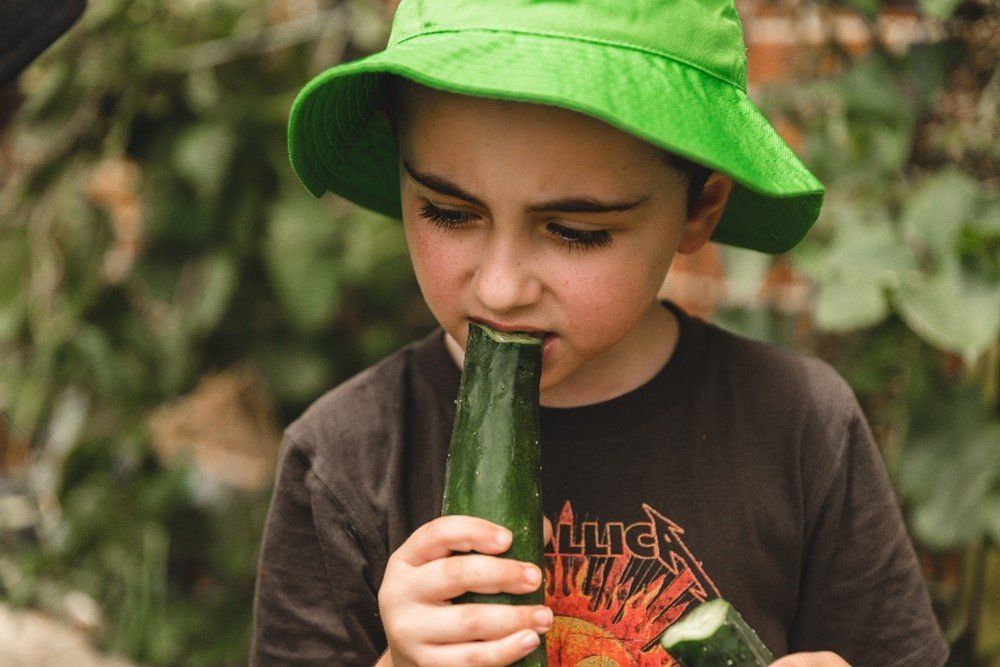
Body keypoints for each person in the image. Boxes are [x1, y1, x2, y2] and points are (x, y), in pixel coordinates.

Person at [251, 0, 949, 665]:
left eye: (575, 232)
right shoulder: (342, 462)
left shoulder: (800, 426)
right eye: (449, 213)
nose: (500, 287)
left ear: (700, 208)